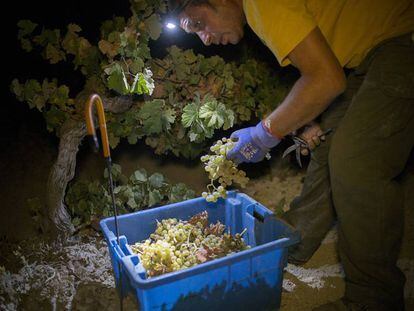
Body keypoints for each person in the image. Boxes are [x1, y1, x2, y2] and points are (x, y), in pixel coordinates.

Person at [170, 0, 414, 310]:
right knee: (330, 147)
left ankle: (374, 299)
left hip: (403, 40)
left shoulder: (260, 3)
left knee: (355, 160)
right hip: (370, 55)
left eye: (197, 24)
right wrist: (298, 117)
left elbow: (326, 79)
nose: (203, 39)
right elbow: (324, 73)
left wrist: (263, 134)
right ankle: (291, 241)